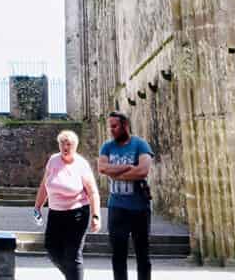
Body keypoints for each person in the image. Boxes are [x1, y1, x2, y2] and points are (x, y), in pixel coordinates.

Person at [34, 128, 101, 280]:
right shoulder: (53, 161)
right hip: (55, 213)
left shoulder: (81, 164)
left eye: (69, 144)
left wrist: (96, 216)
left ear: (75, 146)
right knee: (52, 249)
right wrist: (37, 207)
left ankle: (73, 276)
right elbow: (45, 185)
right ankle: (73, 276)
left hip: (77, 213)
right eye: (62, 144)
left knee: (73, 254)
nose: (65, 147)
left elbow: (93, 192)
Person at [97, 111, 153, 280]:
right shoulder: (107, 146)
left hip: (139, 208)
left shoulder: (140, 145)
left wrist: (114, 172)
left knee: (142, 253)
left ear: (125, 126)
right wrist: (129, 167)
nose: (111, 130)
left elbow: (143, 171)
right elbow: (102, 168)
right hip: (117, 208)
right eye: (110, 126)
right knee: (118, 254)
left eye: (114, 126)